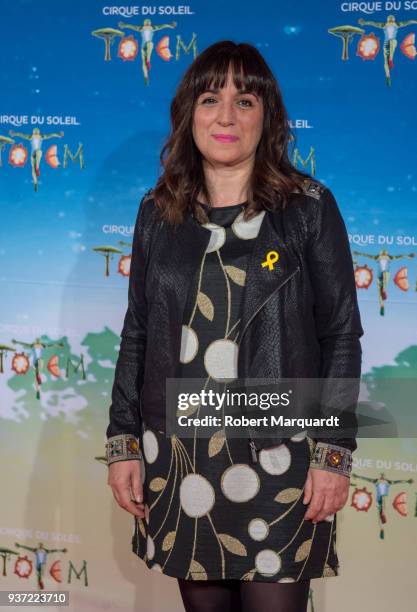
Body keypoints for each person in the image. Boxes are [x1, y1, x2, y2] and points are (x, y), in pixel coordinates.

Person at [105, 40, 364, 612]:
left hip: (282, 456)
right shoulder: (157, 212)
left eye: (245, 100)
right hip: (178, 457)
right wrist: (123, 442)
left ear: (266, 118)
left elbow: (341, 333)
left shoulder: (309, 209)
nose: (226, 116)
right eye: (210, 98)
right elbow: (138, 332)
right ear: (187, 114)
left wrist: (332, 454)